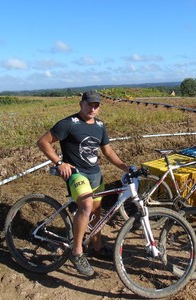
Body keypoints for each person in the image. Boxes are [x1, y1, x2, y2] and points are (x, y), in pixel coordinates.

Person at [37, 90, 129, 276]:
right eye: (89, 104)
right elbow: (43, 142)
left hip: (96, 174)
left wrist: (125, 167)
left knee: (97, 212)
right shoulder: (69, 124)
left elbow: (108, 151)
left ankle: (97, 247)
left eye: (96, 105)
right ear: (81, 104)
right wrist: (59, 162)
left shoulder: (100, 126)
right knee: (86, 205)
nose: (92, 108)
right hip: (77, 174)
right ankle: (77, 251)